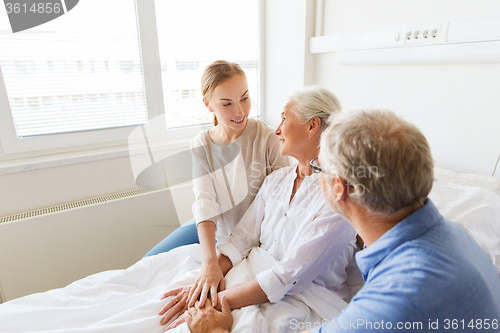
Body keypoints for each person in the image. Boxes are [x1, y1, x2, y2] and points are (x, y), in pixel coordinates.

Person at [184, 108, 500, 333]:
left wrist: (214, 331)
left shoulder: (397, 297)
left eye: (319, 168)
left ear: (339, 189)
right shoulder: (454, 235)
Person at [159, 87, 357, 330]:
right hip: (250, 273)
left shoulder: (338, 197)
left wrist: (215, 301)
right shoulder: (277, 180)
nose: (277, 130)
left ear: (312, 126)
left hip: (302, 299)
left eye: (284, 119)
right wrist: (205, 282)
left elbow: (288, 276)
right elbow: (242, 238)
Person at [144, 60, 289, 309]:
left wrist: (221, 261)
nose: (240, 111)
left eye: (244, 98)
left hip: (251, 238)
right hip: (217, 226)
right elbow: (205, 203)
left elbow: (281, 203)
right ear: (207, 104)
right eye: (227, 103)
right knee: (149, 262)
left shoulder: (267, 138)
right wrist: (209, 261)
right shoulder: (201, 144)